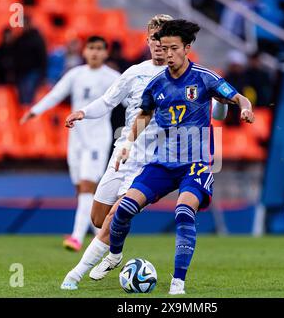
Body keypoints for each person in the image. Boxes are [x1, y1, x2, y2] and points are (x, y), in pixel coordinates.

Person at [60, 15, 230, 291]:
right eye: (155, 39)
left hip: (156, 158)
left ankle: (76, 273)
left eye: (166, 42)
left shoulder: (189, 75)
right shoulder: (135, 73)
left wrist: (224, 104)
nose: (160, 46)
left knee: (119, 211)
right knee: (98, 217)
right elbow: (107, 101)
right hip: (125, 152)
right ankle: (115, 253)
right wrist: (83, 112)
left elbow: (213, 107)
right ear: (149, 40)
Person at [92, 19, 254, 295]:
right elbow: (144, 114)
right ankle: (115, 255)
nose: (167, 54)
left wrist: (245, 109)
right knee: (123, 210)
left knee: (183, 212)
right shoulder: (156, 84)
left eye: (172, 48)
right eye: (163, 48)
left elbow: (238, 97)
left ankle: (177, 283)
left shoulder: (205, 77)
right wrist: (129, 143)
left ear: (186, 48)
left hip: (195, 165)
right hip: (163, 163)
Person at [20, 36, 120, 251]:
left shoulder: (113, 78)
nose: (94, 52)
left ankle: (76, 237)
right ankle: (101, 235)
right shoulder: (76, 74)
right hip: (75, 138)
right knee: (82, 189)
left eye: (99, 49)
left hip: (97, 139)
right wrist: (35, 110)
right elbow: (56, 94)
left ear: (105, 53)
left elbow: (132, 98)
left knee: (86, 186)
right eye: (91, 48)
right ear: (84, 52)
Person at [13, 15, 47, 106]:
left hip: (33, 72)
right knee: (22, 99)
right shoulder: (19, 39)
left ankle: (27, 116)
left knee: (28, 98)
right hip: (21, 73)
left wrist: (42, 73)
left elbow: (42, 56)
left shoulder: (37, 39)